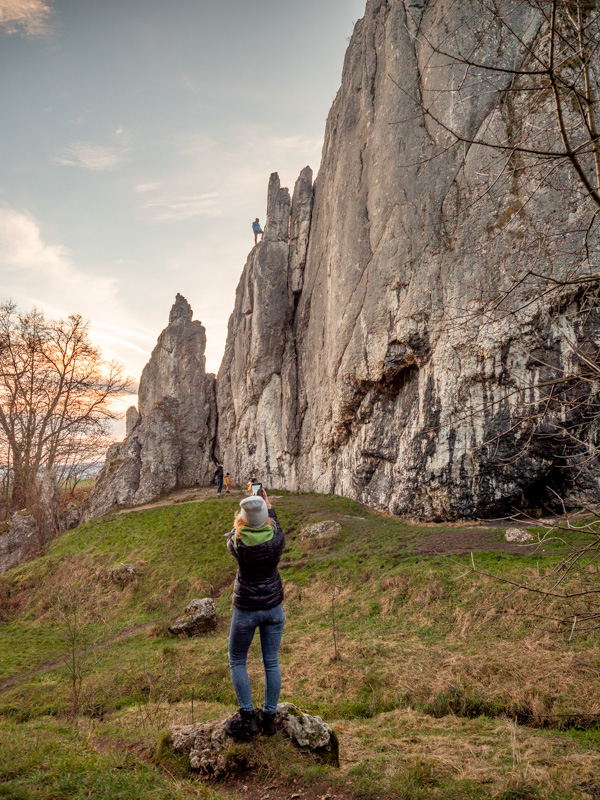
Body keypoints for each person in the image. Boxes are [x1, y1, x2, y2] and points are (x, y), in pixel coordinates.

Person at [224, 489, 285, 739]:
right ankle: (269, 719)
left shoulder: (236, 544)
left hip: (246, 610)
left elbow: (232, 532)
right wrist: (268, 507)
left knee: (237, 660)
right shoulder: (277, 540)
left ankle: (248, 718)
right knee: (270, 662)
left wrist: (244, 517)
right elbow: (277, 526)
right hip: (273, 608)